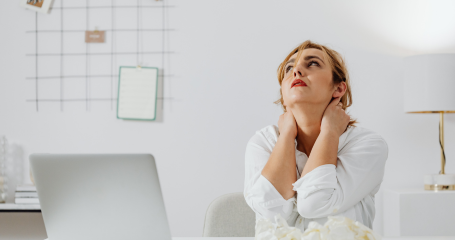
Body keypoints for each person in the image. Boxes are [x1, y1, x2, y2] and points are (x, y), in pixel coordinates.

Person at [243, 40, 388, 232]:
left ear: (338, 88)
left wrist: (329, 131)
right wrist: (286, 134)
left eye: (312, 63)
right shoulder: (263, 142)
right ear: (283, 94)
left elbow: (314, 204)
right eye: (289, 68)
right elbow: (271, 212)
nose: (296, 71)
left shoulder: (368, 145)